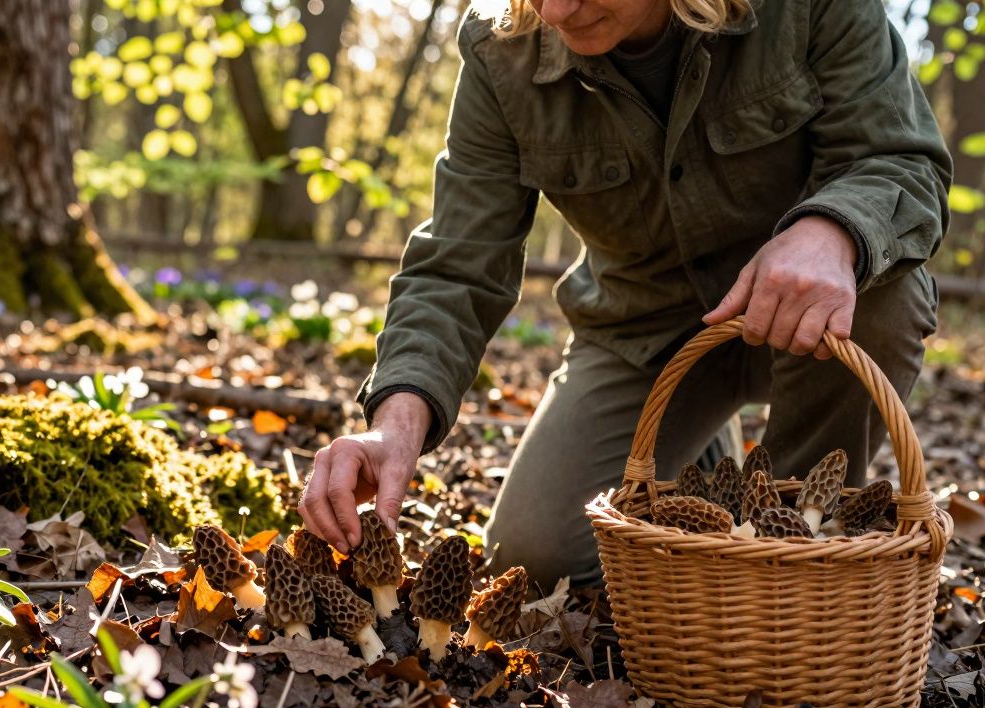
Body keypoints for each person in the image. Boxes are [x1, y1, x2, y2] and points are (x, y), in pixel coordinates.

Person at [298, 0, 951, 591]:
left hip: (822, 319)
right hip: (642, 330)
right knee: (535, 557)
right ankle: (702, 465)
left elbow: (903, 159)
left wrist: (831, 229)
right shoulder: (499, 46)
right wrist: (394, 425)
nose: (554, 11)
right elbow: (458, 262)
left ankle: (802, 564)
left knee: (881, 302)